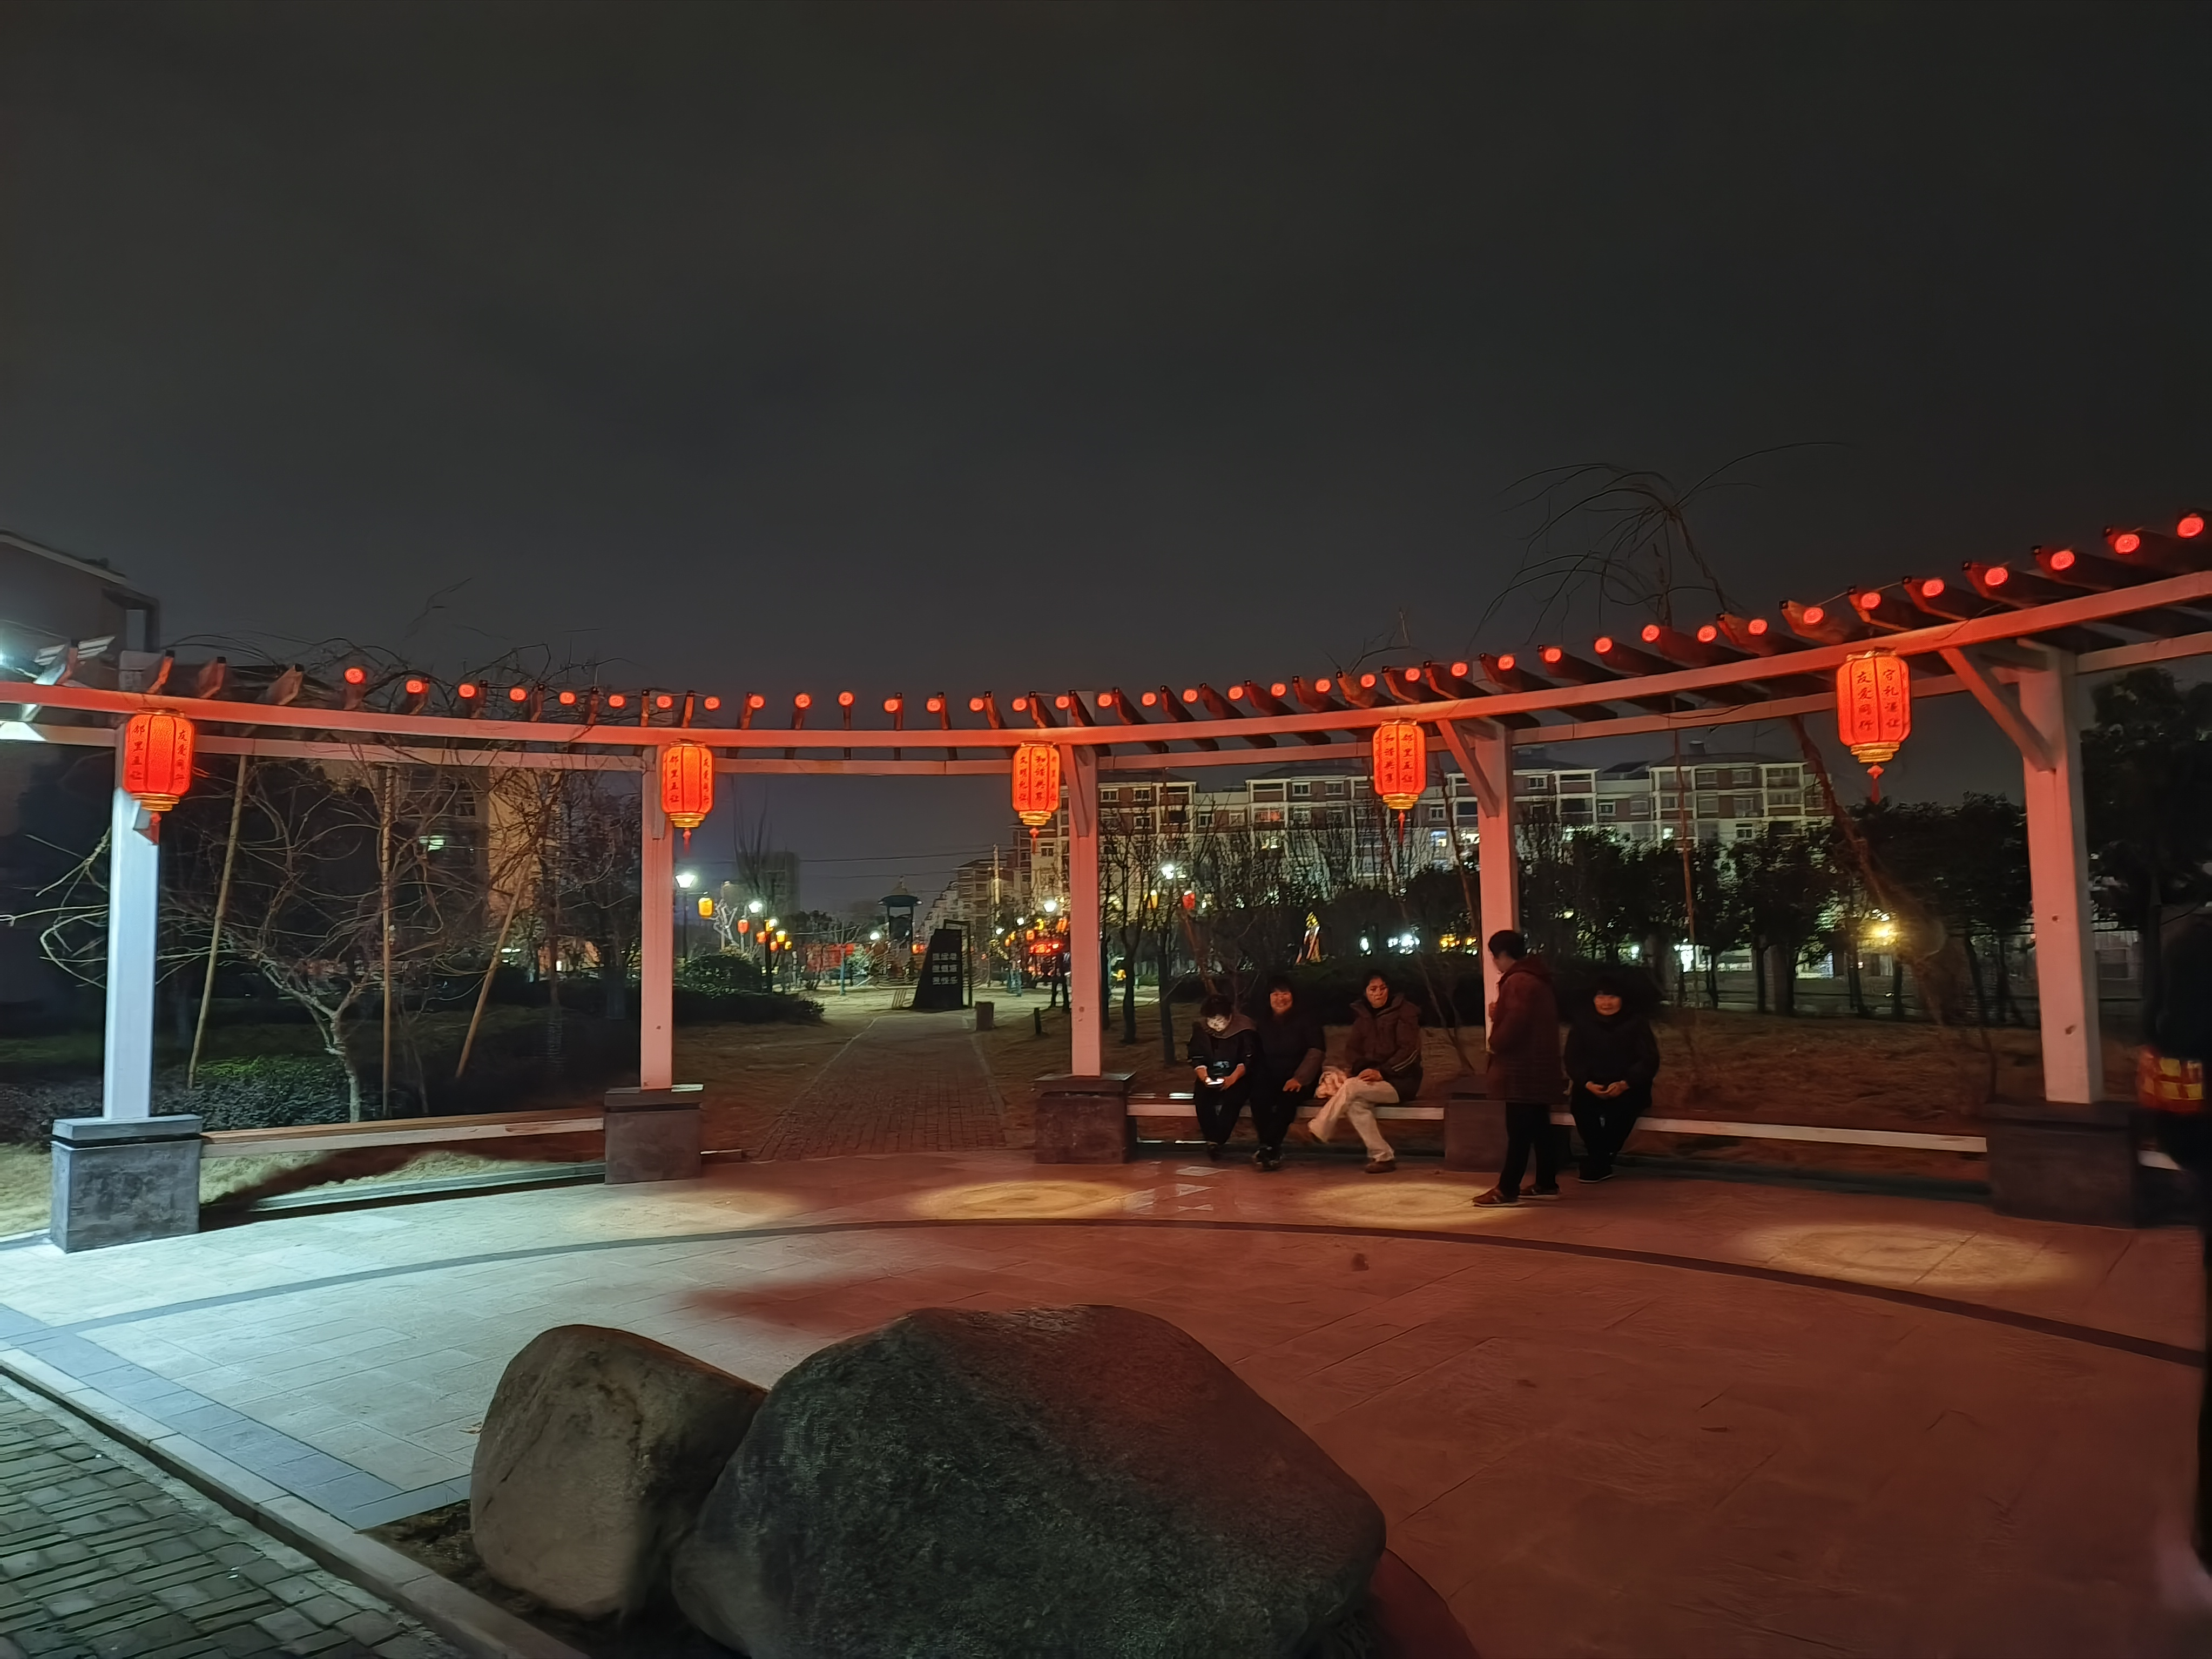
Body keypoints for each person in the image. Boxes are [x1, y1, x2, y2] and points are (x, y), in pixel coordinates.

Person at [1473, 929, 1563, 1206]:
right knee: (1539, 1127)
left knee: (1519, 1131)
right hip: (1539, 1066)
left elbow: (1516, 1020)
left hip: (1522, 1069)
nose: (1493, 962)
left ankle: (1507, 1189)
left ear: (1501, 954)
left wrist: (1495, 1043)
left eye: (1493, 956)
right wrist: (1498, 1012)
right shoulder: (1537, 977)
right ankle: (1546, 1182)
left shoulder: (1518, 981)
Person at [1309, 969, 1420, 1174]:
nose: (1378, 994)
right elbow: (1352, 1050)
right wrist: (1363, 1068)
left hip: (1400, 1082)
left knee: (1351, 1087)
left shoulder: (1405, 1012)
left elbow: (1410, 1052)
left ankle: (1321, 1126)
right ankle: (1383, 1157)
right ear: (1365, 993)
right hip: (1372, 1080)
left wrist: (1383, 1072)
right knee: (1355, 1105)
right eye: (1373, 989)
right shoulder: (1363, 1017)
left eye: (1383, 988)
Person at [1563, 973, 1660, 1183]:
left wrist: (1625, 1083)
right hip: (1592, 1084)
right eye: (1601, 997)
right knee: (1581, 1106)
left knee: (1622, 1110)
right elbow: (1573, 1058)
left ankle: (1598, 1160)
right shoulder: (1583, 1023)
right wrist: (1587, 1083)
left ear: (1623, 999)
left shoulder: (1636, 1023)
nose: (1606, 1003)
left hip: (1629, 1086)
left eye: (1612, 997)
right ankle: (1601, 1159)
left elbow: (1649, 1060)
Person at [1251, 975, 1324, 1171]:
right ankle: (1268, 1147)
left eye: (1284, 993)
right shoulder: (1263, 1022)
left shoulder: (1307, 1019)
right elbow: (1257, 1053)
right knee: (1259, 1099)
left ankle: (1269, 1147)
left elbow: (1316, 1051)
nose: (1280, 998)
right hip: (1271, 1075)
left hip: (1300, 1077)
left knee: (1287, 1101)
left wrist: (1299, 1078)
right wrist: (1260, 1078)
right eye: (1275, 994)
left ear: (1293, 995)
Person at [1186, 993, 1258, 1160]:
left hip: (1239, 1076)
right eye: (1212, 1021)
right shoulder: (1201, 1029)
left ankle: (1218, 1139)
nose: (1216, 1025)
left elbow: (1249, 1058)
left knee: (1233, 1100)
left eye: (1220, 1020)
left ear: (1229, 1016)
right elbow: (1197, 1056)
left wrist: (1232, 1078)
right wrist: (1205, 1077)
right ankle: (1212, 1140)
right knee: (1202, 1098)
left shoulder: (1245, 1028)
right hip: (1210, 1073)